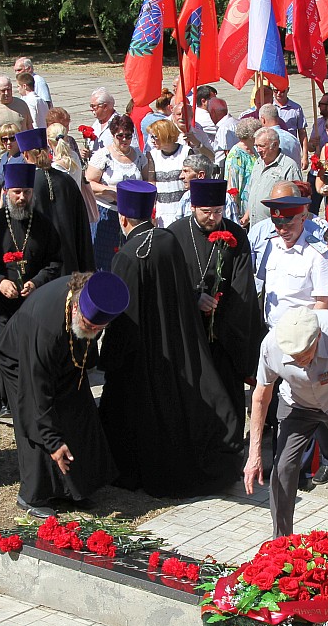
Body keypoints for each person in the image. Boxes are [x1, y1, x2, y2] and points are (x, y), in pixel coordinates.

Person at [99, 180, 244, 497]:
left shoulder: (126, 256)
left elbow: (124, 319)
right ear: (150, 211)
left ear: (123, 219)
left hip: (144, 353)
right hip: (176, 343)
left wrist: (109, 358)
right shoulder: (167, 239)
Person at [0, 271, 127, 518]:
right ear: (76, 307)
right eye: (89, 325)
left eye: (99, 327)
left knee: (78, 409)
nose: (94, 330)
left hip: (65, 352)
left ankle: (74, 489)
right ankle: (32, 495)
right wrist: (53, 442)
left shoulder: (89, 296)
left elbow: (84, 337)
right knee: (35, 419)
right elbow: (37, 393)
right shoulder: (45, 328)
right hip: (20, 358)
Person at [246, 307, 328, 537]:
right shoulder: (270, 346)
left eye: (305, 353)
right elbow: (260, 396)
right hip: (297, 404)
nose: (301, 360)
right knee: (283, 467)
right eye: (294, 356)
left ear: (318, 336)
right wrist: (254, 452)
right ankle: (281, 543)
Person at [168, 178, 264, 423]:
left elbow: (242, 287)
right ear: (193, 207)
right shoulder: (174, 235)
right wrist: (193, 300)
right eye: (206, 212)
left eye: (218, 212)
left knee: (226, 397)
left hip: (224, 335)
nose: (213, 218)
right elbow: (168, 283)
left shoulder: (235, 234)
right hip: (188, 331)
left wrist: (221, 316)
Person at [0, 159, 62, 418]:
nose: (22, 198)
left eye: (26, 192)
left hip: (31, 302)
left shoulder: (44, 225)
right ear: (6, 192)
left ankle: (22, 400)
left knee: (29, 350)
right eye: (17, 192)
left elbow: (55, 262)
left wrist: (36, 282)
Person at [17, 128, 96, 274]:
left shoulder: (27, 186)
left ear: (26, 155)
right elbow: (81, 223)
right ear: (47, 150)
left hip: (44, 264)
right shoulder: (67, 180)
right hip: (71, 256)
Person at [255, 190, 328, 327]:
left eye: (289, 225)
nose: (282, 231)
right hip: (271, 329)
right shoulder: (272, 244)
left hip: (300, 333)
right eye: (278, 226)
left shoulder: (317, 253)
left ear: (303, 219)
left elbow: (322, 301)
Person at [245, 127, 303, 225]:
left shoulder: (289, 166)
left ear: (275, 145)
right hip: (255, 226)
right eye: (256, 146)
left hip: (277, 226)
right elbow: (252, 191)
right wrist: (247, 215)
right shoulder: (258, 163)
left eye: (262, 146)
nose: (258, 150)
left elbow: (296, 201)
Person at [143, 118, 191, 225]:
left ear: (166, 135)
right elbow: (152, 184)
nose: (152, 141)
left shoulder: (186, 152)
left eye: (155, 137)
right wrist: (152, 209)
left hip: (183, 208)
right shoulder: (153, 155)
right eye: (151, 137)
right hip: (162, 212)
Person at [225, 117, 261, 223]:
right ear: (250, 136)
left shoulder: (254, 150)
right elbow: (232, 185)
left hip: (254, 201)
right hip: (242, 207)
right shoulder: (236, 154)